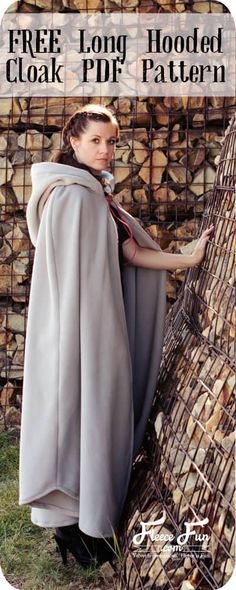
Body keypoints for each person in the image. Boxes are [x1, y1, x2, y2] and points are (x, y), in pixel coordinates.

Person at [19, 103, 214, 568]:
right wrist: (84, 332)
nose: (106, 150)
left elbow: (127, 253)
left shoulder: (95, 194)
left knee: (95, 414)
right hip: (77, 334)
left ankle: (84, 525)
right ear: (73, 142)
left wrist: (185, 260)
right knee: (74, 415)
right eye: (96, 141)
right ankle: (71, 527)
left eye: (112, 142)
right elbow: (72, 281)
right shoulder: (73, 197)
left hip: (97, 329)